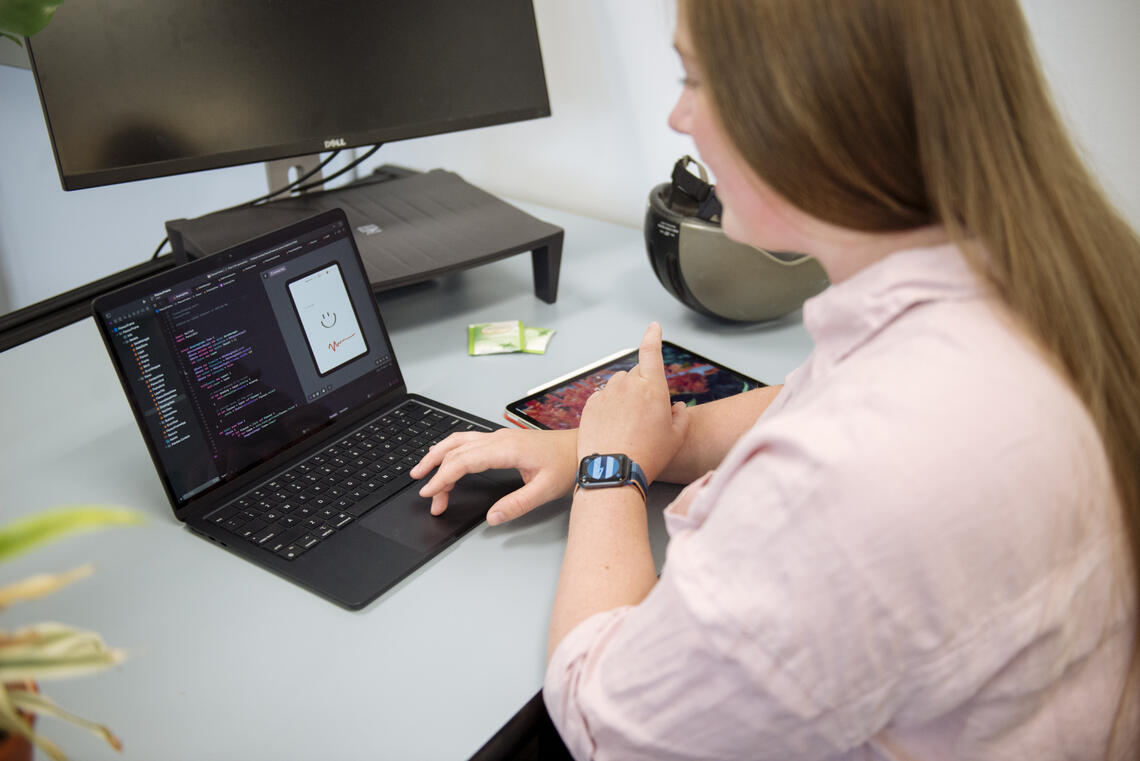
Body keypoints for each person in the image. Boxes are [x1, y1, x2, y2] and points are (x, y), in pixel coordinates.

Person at [411, 0, 1140, 758]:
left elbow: (603, 724)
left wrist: (609, 472)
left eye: (694, 78)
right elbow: (811, 392)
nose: (676, 117)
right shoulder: (1044, 285)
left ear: (805, 106)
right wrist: (627, 437)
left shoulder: (855, 473)